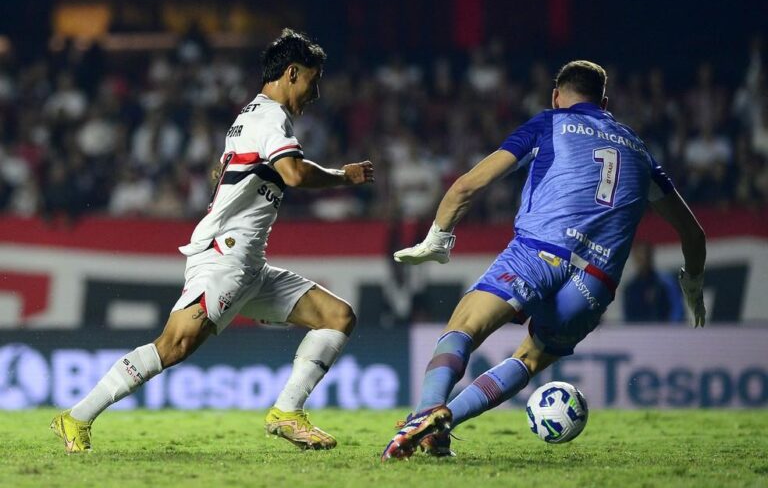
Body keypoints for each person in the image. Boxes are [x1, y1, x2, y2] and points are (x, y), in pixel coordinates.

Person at [51, 29, 375, 453]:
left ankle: (287, 413)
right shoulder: (269, 119)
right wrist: (343, 176)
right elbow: (293, 173)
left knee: (338, 316)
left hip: (250, 267)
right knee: (173, 345)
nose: (315, 93)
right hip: (226, 259)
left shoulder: (249, 118)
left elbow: (229, 174)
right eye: (313, 81)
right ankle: (76, 417)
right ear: (292, 73)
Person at [381, 60, 706, 461]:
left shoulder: (550, 123)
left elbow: (467, 185)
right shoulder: (641, 152)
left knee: (464, 327)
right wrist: (692, 286)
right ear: (605, 102)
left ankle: (425, 414)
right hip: (597, 282)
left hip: (540, 252)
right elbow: (693, 234)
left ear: (556, 96)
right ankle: (444, 423)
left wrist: (436, 239)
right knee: (530, 358)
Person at [623, 241, 684, 322]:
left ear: (650, 257)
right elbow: (628, 317)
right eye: (638, 257)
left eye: (644, 255)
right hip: (639, 332)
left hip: (665, 330)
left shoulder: (665, 282)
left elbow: (677, 309)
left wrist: (671, 329)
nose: (641, 260)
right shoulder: (630, 288)